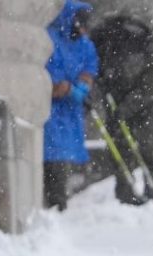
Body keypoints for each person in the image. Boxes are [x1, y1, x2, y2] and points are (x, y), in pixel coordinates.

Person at [89, 14, 153, 205]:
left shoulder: (152, 48)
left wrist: (127, 106)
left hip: (143, 106)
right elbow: (95, 70)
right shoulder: (107, 41)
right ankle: (125, 191)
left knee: (148, 147)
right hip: (116, 102)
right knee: (120, 147)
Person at [43, 0, 99, 211]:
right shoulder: (51, 38)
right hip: (52, 111)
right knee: (53, 155)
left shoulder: (85, 45)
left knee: (63, 155)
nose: (83, 28)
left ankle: (58, 200)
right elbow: (48, 74)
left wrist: (82, 88)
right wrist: (64, 88)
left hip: (71, 112)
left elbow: (89, 69)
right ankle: (56, 202)